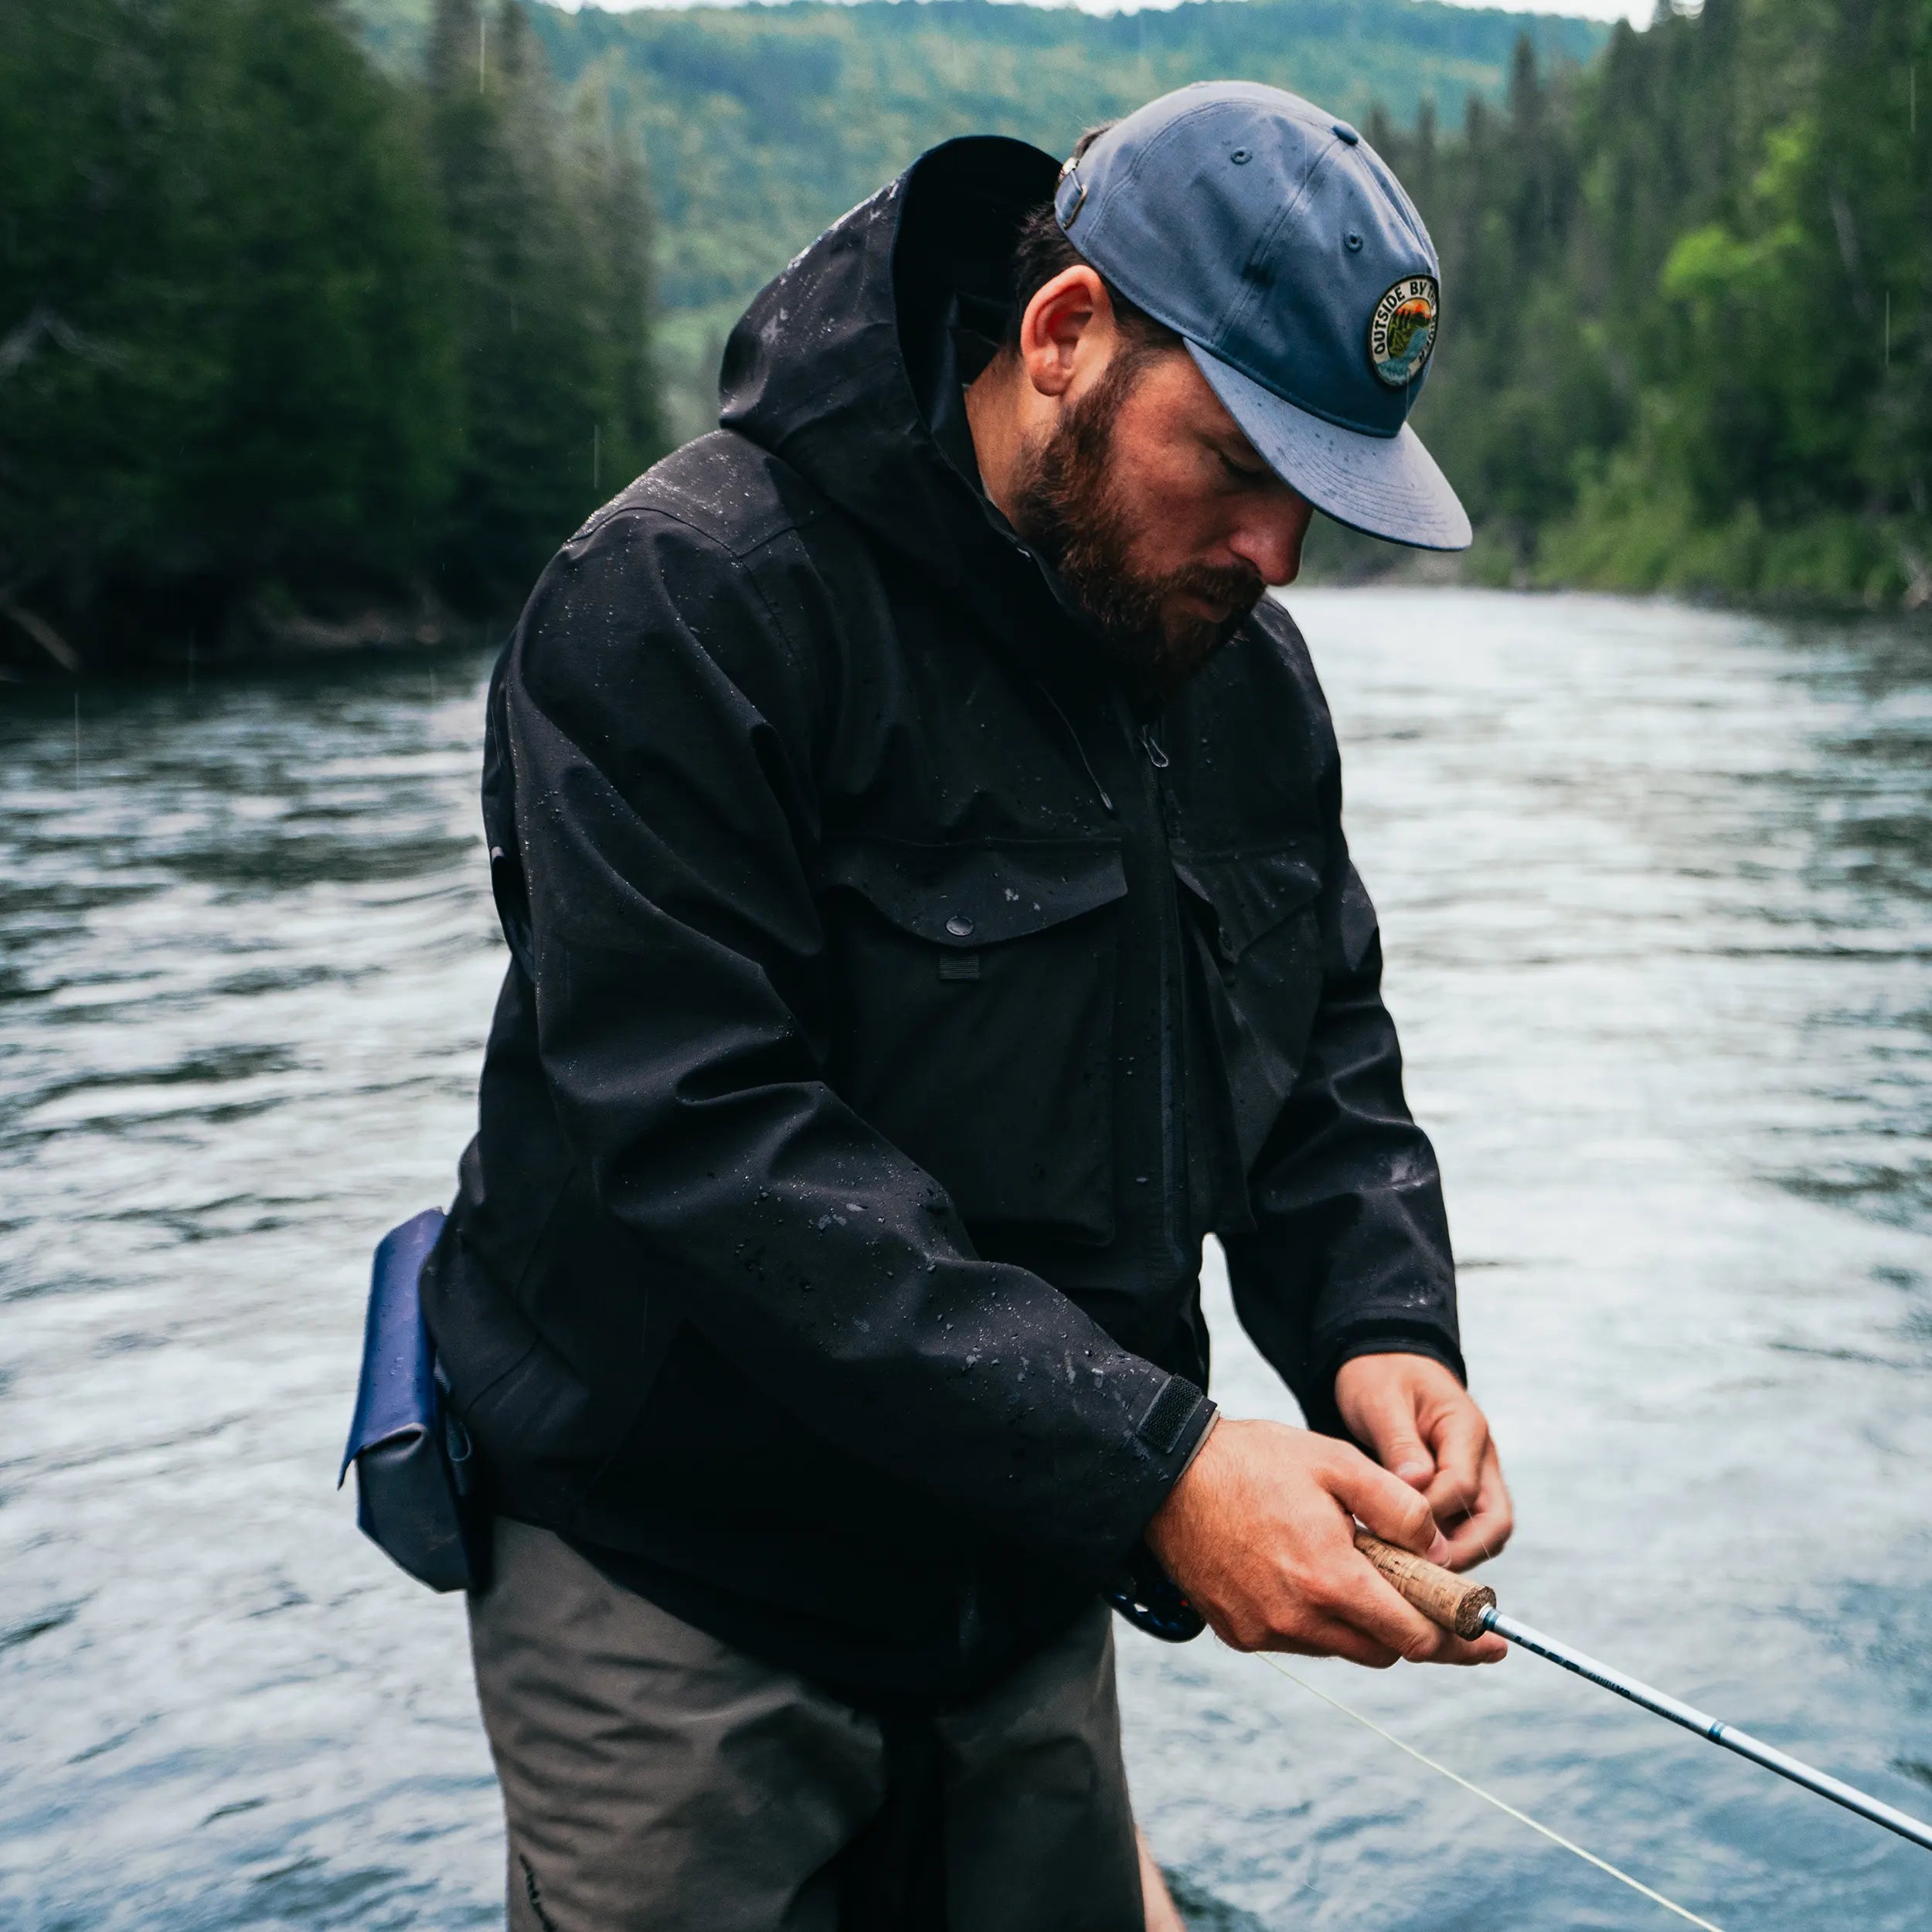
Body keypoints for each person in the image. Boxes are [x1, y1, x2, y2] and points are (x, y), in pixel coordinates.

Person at [423, 80, 1515, 1932]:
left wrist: (1376, 1320)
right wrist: (1160, 1464)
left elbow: (1318, 1049)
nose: (1275, 556)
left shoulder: (1230, 666)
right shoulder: (676, 601)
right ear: (1065, 334)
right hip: (677, 1585)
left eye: (1315, 499)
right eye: (1240, 466)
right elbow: (708, 1143)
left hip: (1024, 1569)